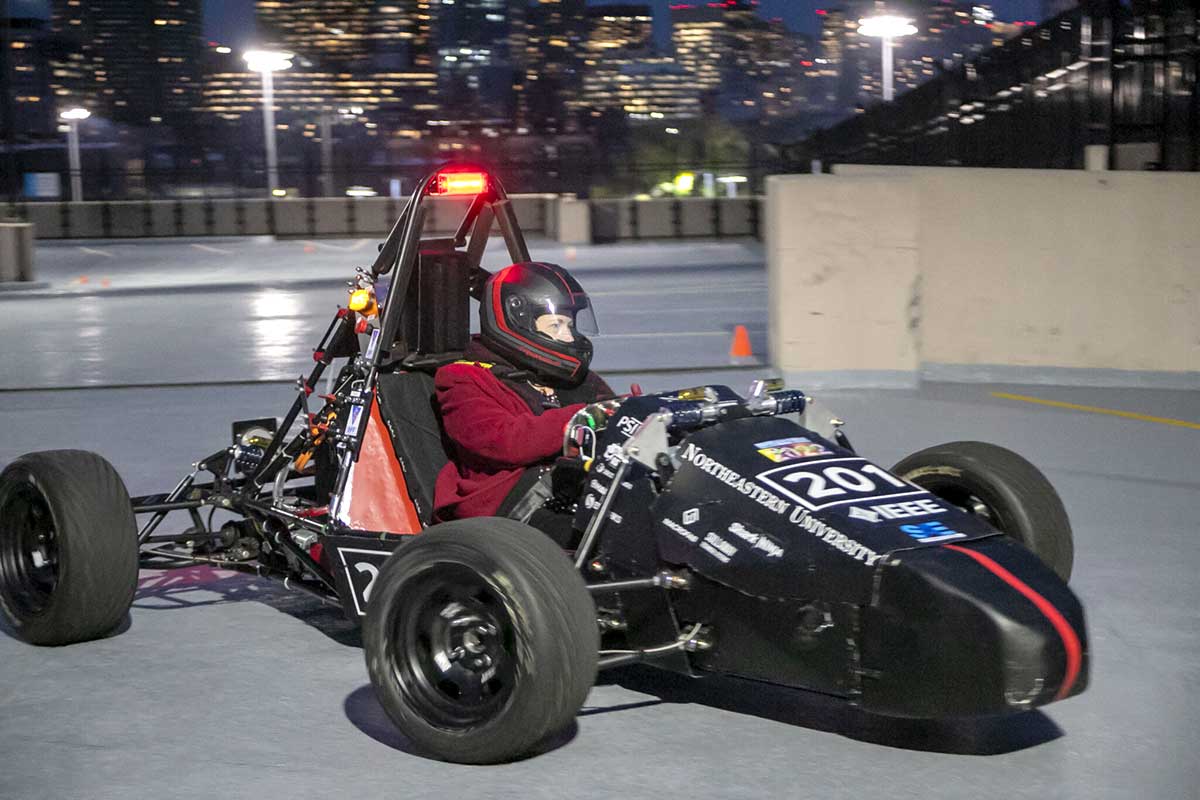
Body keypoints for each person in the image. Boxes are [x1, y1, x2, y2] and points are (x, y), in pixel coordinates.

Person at [432, 261, 613, 524]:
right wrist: (584, 417)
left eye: (569, 325)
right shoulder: (462, 378)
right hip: (508, 511)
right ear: (517, 321)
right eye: (555, 326)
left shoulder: (577, 378)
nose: (568, 337)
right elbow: (506, 443)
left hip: (573, 490)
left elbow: (612, 413)